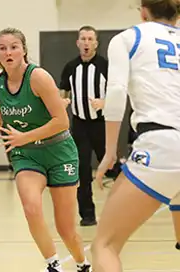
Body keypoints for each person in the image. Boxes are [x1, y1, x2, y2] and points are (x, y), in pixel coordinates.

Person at [0, 27, 91, 272]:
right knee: (31, 208)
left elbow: (61, 121)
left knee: (66, 229)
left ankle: (83, 265)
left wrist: (24, 136)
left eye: (13, 47)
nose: (8, 52)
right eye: (3, 48)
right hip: (26, 155)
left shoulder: (38, 77)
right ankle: (53, 264)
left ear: (23, 51)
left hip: (59, 150)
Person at [91, 0, 180, 270]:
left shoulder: (128, 38)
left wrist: (109, 152)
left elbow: (116, 94)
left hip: (162, 144)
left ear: (142, 11)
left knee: (104, 245)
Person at [60, 26, 121, 226]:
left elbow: (117, 93)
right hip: (79, 126)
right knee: (82, 171)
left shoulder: (106, 66)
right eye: (83, 39)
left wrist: (104, 103)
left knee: (112, 167)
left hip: (101, 125)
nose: (86, 43)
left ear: (96, 43)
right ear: (78, 43)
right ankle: (87, 215)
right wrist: (64, 102)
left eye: (90, 39)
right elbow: (64, 92)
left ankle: (121, 210)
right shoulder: (70, 67)